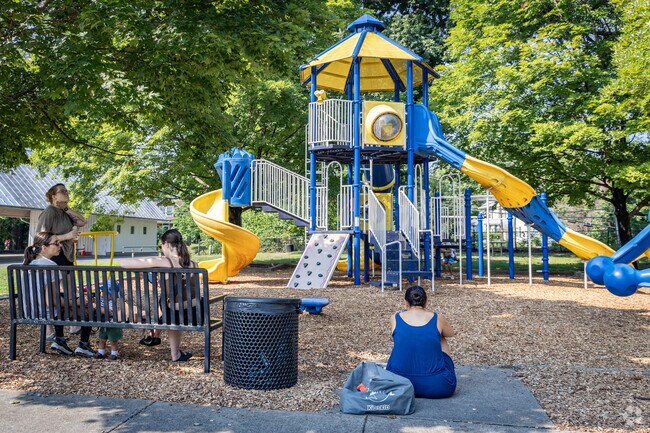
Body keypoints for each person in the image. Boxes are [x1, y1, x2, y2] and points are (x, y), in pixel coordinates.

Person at [118, 228, 197, 362]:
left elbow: (123, 263)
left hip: (174, 314)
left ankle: (154, 334)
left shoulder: (165, 261)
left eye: (161, 245)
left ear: (166, 244)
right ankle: (174, 353)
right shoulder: (194, 264)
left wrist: (148, 265)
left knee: (168, 305)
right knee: (170, 304)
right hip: (194, 313)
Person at [23, 231, 96, 357]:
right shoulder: (50, 265)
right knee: (87, 309)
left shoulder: (27, 263)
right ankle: (83, 344)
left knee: (69, 303)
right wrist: (77, 301)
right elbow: (52, 302)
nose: (60, 246)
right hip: (44, 312)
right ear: (44, 248)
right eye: (56, 243)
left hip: (28, 311)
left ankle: (60, 340)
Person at [386, 285, 457, 399]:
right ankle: (432, 374)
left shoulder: (395, 318)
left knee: (404, 338)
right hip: (438, 386)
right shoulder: (437, 318)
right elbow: (451, 333)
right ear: (426, 302)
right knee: (441, 336)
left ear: (406, 303)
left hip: (398, 384)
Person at [37, 183, 86, 266]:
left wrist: (67, 209)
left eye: (66, 191)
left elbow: (82, 222)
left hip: (68, 254)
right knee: (60, 279)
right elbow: (41, 236)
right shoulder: (50, 211)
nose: (66, 193)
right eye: (62, 191)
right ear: (54, 196)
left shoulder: (65, 212)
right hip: (55, 254)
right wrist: (66, 236)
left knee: (70, 279)